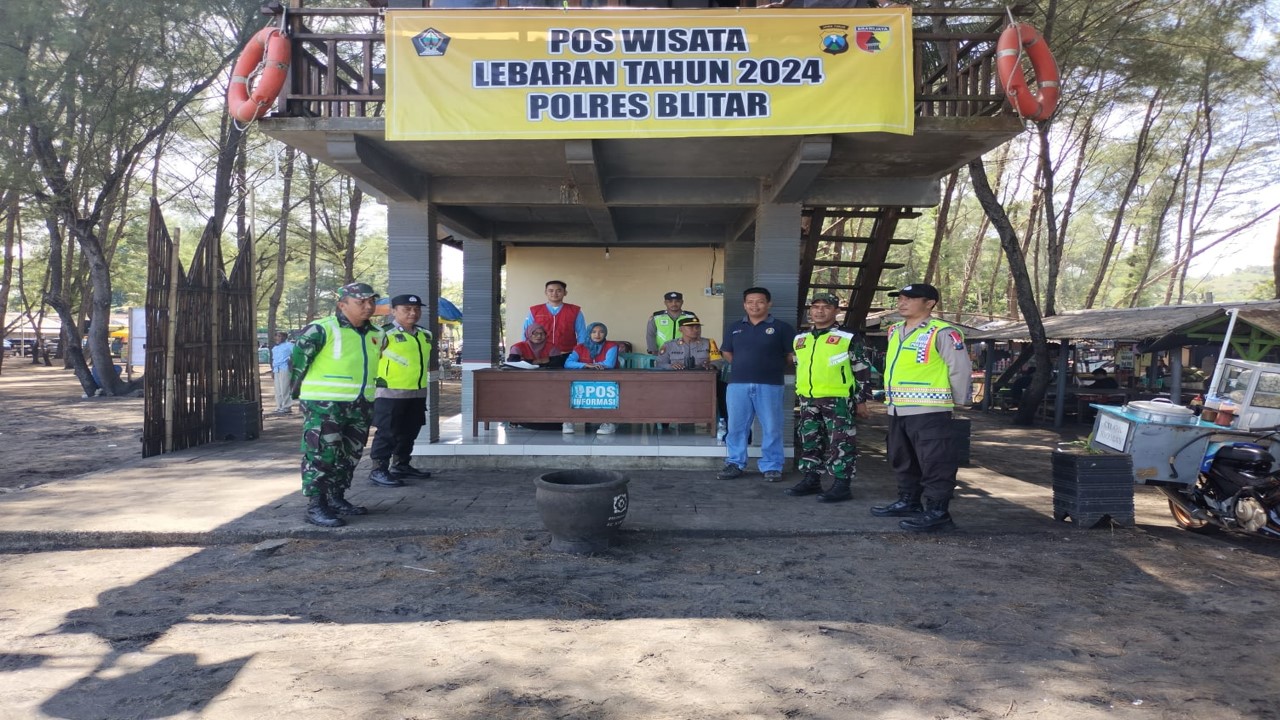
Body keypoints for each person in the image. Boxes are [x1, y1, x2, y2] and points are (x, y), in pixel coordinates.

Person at [871, 283, 972, 532]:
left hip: (930, 409)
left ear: (929, 303)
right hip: (897, 408)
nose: (902, 302)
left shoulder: (943, 332)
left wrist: (960, 400)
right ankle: (909, 501)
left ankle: (938, 512)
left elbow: (959, 367)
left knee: (935, 461)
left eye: (910, 298)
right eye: (900, 298)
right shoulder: (895, 331)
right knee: (902, 458)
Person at [290, 282, 385, 528]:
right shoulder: (321, 329)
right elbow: (298, 362)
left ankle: (336, 497)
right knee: (322, 454)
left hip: (360, 406)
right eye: (361, 302)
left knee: (349, 455)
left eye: (371, 301)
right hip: (325, 406)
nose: (368, 306)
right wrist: (299, 395)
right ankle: (316, 505)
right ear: (342, 305)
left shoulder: (377, 333)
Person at [785, 293, 872, 503]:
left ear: (836, 311)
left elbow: (861, 368)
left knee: (841, 442)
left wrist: (861, 400)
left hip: (838, 399)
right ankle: (811, 479)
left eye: (826, 307)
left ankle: (842, 485)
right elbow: (799, 365)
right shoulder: (801, 338)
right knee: (810, 440)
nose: (820, 311)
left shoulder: (848, 337)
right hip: (808, 399)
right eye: (816, 307)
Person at [717, 287, 796, 482]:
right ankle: (735, 463)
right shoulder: (735, 327)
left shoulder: (782, 328)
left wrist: (770, 366)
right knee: (736, 427)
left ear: (769, 304)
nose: (755, 305)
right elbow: (727, 352)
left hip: (770, 384)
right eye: (750, 302)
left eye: (760, 301)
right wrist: (743, 365)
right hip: (738, 385)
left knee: (772, 427)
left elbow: (790, 355)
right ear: (744, 305)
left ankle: (772, 466)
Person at [368, 294, 435, 488]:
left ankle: (401, 464)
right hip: (390, 392)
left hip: (417, 392)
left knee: (410, 431)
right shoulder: (382, 334)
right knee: (387, 432)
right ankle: (378, 469)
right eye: (407, 309)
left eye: (416, 309)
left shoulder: (425, 334)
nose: (413, 313)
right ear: (393, 311)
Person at [656, 315, 728, 437]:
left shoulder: (708, 343)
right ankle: (664, 421)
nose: (695, 330)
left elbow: (719, 361)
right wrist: (671, 366)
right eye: (691, 327)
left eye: (697, 327)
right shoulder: (669, 345)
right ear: (681, 329)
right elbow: (659, 363)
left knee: (724, 388)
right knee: (660, 389)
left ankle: (724, 421)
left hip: (703, 383)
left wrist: (711, 365)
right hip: (676, 383)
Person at [564, 322, 619, 434]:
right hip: (584, 380)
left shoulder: (611, 346)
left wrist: (592, 365)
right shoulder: (580, 347)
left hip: (607, 380)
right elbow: (568, 363)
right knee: (571, 389)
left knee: (609, 393)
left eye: (601, 332)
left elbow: (609, 364)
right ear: (589, 333)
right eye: (593, 332)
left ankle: (609, 422)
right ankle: (569, 420)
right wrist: (585, 365)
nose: (597, 335)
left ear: (605, 333)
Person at [524, 280, 586, 368]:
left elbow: (582, 334)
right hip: (540, 355)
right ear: (546, 292)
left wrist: (581, 353)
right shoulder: (535, 311)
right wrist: (525, 351)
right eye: (551, 290)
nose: (554, 293)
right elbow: (526, 333)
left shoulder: (575, 311)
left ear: (565, 293)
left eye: (559, 290)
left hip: (567, 354)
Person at [270, 331, 295, 414]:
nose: (277, 338)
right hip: (276, 369)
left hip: (284, 368)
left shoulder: (289, 345)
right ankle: (279, 406)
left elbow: (296, 354)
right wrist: (272, 370)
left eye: (279, 336)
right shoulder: (275, 348)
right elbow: (274, 360)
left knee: (284, 388)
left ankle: (287, 406)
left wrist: (291, 362)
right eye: (276, 336)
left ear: (284, 337)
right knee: (278, 389)